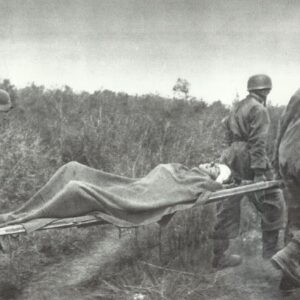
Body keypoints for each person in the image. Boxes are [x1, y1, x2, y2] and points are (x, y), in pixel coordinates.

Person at [0, 161, 231, 227]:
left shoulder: (201, 183)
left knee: (76, 188)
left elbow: (211, 192)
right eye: (213, 161)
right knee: (72, 169)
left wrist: (220, 183)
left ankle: (21, 219)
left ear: (215, 177)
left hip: (130, 200)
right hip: (129, 187)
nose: (211, 163)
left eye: (215, 168)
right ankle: (15, 214)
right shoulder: (185, 169)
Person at [211, 74, 286, 270]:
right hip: (249, 157)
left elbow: (225, 127)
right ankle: (270, 255)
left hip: (230, 155)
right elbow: (258, 142)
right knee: (273, 201)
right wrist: (260, 171)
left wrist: (229, 153)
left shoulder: (238, 105)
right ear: (266, 90)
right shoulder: (259, 109)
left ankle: (220, 256)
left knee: (228, 203)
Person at [270, 88, 300, 293]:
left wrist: (275, 160)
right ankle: (291, 253)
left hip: (288, 155)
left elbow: (283, 123)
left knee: (295, 218)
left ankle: (287, 281)